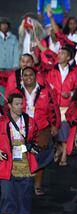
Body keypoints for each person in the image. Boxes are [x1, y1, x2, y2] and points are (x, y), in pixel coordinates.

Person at [8, 67, 60, 196]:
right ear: (22, 77)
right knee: (21, 157)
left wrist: (55, 125)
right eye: (25, 75)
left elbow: (54, 109)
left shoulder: (46, 91)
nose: (28, 77)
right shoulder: (16, 92)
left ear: (35, 76)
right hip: (21, 130)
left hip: (41, 128)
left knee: (39, 158)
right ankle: (21, 184)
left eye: (30, 75)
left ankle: (37, 186)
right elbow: (8, 109)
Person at [0, 93, 39, 214]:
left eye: (21, 104)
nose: (20, 106)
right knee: (6, 197)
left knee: (25, 196)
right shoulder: (2, 122)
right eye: (16, 104)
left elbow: (35, 138)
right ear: (9, 105)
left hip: (25, 163)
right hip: (6, 165)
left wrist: (33, 147)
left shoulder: (30, 122)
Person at [46, 46, 77, 166]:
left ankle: (63, 154)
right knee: (55, 130)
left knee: (65, 129)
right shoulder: (52, 71)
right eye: (59, 53)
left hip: (67, 107)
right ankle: (60, 148)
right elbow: (48, 87)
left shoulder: (75, 72)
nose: (59, 55)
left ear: (68, 57)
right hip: (54, 106)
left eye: (62, 53)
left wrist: (70, 94)